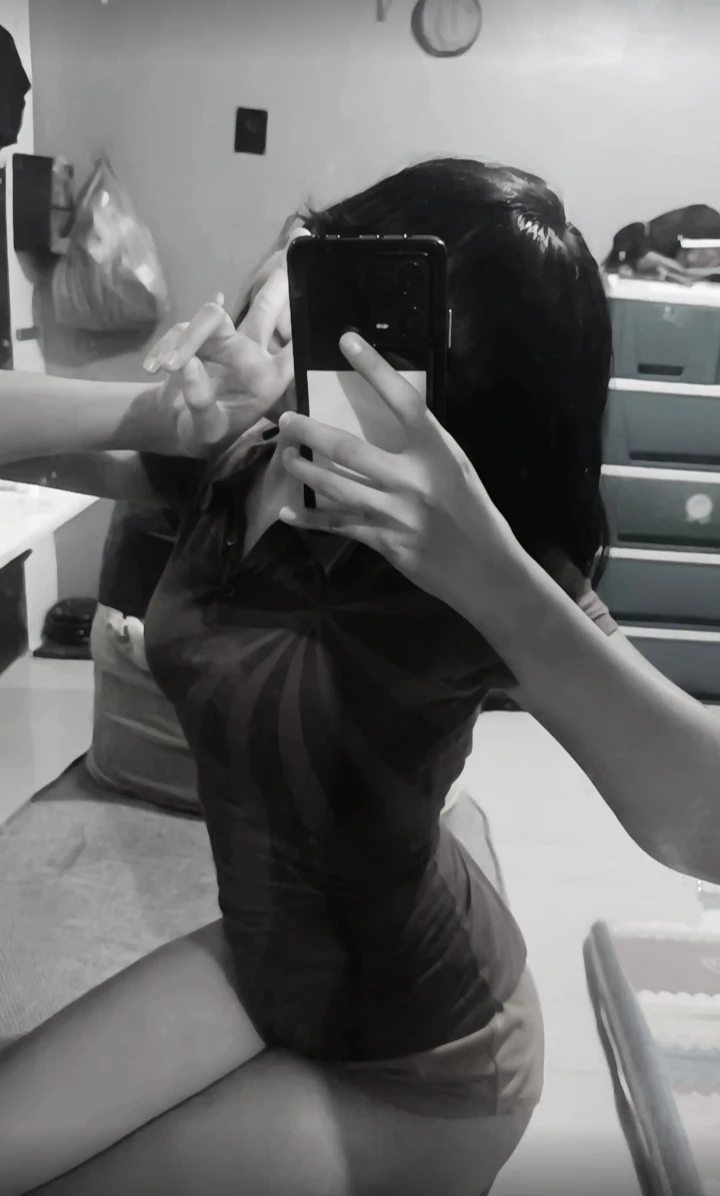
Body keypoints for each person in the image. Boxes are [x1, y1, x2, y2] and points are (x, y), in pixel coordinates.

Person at [0, 158, 718, 1196]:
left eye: (389, 328)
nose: (304, 312)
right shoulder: (240, 457)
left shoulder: (484, 560)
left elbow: (704, 825)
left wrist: (499, 584)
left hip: (435, 1055)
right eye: (327, 262)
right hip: (265, 957)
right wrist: (153, 413)